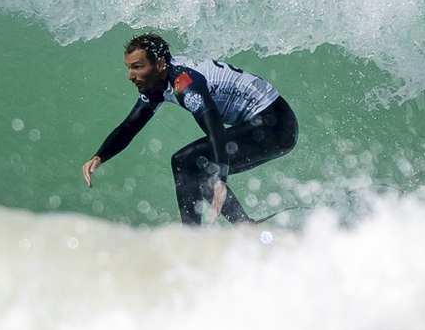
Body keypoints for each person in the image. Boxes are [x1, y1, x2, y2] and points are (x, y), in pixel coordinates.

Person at [81, 33, 298, 225]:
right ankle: (235, 227)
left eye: (137, 67)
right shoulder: (158, 83)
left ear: (159, 64)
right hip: (266, 122)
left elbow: (216, 132)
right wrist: (100, 156)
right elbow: (130, 126)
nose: (130, 75)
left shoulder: (185, 84)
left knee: (187, 162)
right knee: (194, 165)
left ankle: (196, 235)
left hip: (276, 125)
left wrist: (220, 180)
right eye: (129, 68)